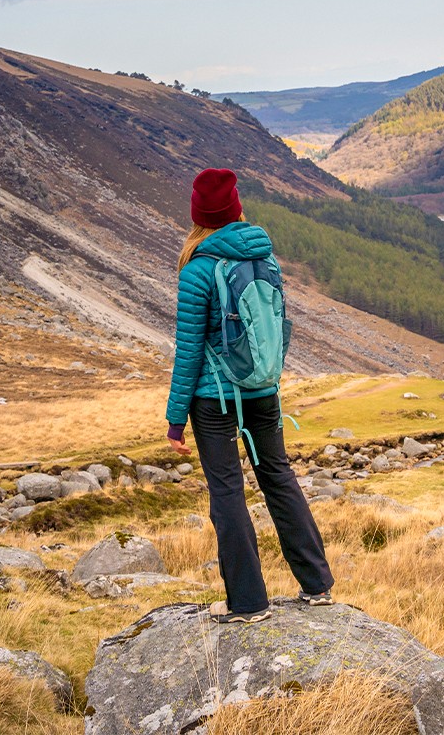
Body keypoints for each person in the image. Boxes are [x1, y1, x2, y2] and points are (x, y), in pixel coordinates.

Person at [166, 167, 335, 624]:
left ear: (199, 216)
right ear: (237, 208)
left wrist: (175, 418)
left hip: (215, 399)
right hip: (264, 391)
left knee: (227, 491)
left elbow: (188, 352)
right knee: (279, 477)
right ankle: (317, 585)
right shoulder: (266, 258)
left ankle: (248, 603)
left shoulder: (199, 269)